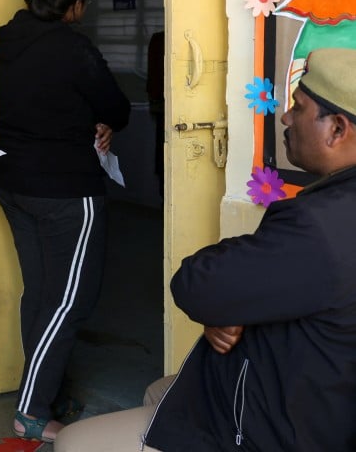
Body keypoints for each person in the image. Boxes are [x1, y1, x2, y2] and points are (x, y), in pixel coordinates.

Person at [55, 47, 356, 452]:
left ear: (337, 129)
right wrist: (231, 305)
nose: (284, 117)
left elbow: (197, 282)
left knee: (75, 443)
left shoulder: (317, 224)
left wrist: (226, 303)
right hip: (318, 402)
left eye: (298, 107)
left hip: (278, 428)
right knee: (160, 391)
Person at [0, 0, 130, 443]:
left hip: (13, 182)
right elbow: (115, 107)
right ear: (76, 6)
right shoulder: (73, 48)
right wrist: (100, 119)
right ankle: (31, 410)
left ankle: (45, 395)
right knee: (69, 302)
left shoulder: (11, 39)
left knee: (44, 295)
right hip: (65, 190)